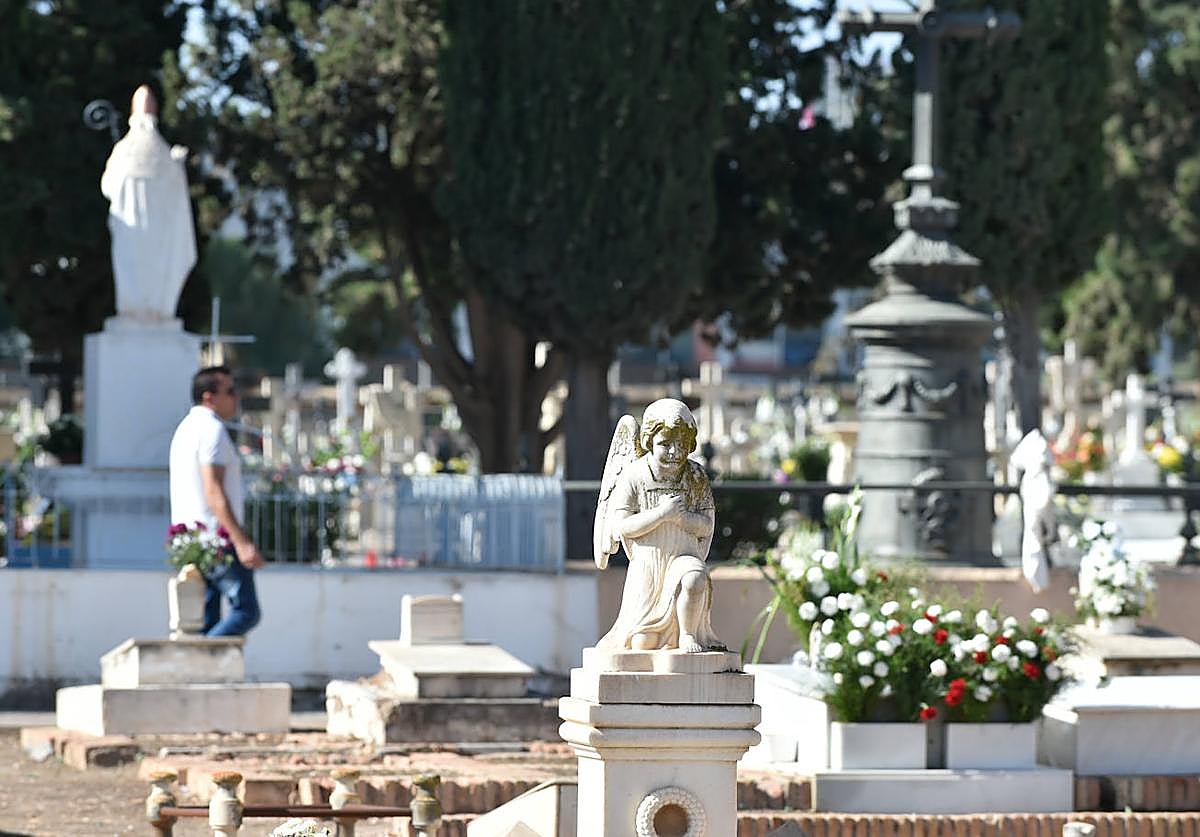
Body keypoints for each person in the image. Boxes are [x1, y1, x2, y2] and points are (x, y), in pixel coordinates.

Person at [594, 399, 722, 653]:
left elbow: (707, 526)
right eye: (665, 444)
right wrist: (661, 514)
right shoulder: (634, 475)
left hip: (684, 555)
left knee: (695, 578)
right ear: (649, 441)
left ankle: (688, 635)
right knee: (643, 644)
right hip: (649, 564)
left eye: (682, 445)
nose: (674, 452)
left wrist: (682, 518)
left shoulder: (696, 476)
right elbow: (622, 526)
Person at [169, 366, 265, 636]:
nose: (236, 398)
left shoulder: (185, 429)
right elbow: (213, 489)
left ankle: (202, 659)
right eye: (230, 391)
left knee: (207, 621)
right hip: (217, 540)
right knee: (246, 611)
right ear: (208, 396)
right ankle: (202, 656)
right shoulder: (212, 429)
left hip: (191, 542)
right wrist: (241, 542)